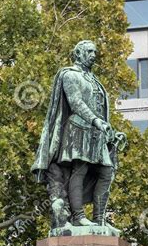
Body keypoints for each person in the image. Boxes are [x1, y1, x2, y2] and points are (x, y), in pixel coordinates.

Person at [31, 39, 126, 229]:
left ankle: (99, 220)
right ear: (78, 54)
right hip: (78, 128)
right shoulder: (69, 75)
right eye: (89, 51)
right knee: (80, 169)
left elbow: (100, 108)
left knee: (106, 172)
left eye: (94, 52)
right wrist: (97, 121)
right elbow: (76, 103)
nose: (93, 55)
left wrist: (111, 132)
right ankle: (78, 216)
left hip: (97, 132)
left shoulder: (94, 79)